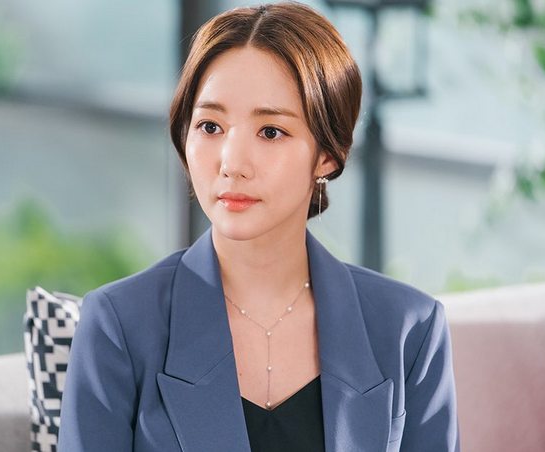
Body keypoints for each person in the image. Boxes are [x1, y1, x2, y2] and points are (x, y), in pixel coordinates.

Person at [57, 2, 461, 451]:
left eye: (270, 132)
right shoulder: (118, 325)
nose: (232, 163)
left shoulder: (408, 329)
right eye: (210, 126)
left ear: (327, 155)